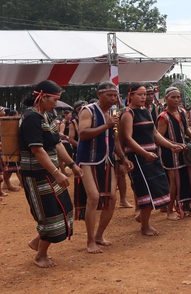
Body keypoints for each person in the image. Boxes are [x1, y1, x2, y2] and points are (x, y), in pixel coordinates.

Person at [19, 80, 83, 268]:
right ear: (42, 97)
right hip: (37, 174)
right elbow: (38, 150)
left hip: (49, 171)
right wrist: (56, 173)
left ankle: (36, 242)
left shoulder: (46, 115)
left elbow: (55, 143)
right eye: (54, 100)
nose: (56, 104)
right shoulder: (31, 118)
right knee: (50, 213)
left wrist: (71, 164)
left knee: (63, 208)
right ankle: (40, 255)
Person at [119, 83, 184, 236]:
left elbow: (155, 134)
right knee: (145, 191)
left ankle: (142, 218)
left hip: (151, 155)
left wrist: (170, 146)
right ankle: (145, 226)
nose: (143, 97)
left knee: (159, 187)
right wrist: (143, 153)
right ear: (131, 96)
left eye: (144, 94)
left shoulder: (147, 112)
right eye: (139, 94)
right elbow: (128, 139)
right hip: (138, 158)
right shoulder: (128, 114)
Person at [75, 82, 132, 254]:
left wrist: (122, 158)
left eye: (115, 95)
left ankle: (99, 235)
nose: (113, 99)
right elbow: (82, 134)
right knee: (93, 198)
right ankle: (90, 241)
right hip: (88, 160)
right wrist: (106, 126)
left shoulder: (114, 113)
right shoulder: (88, 110)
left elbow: (114, 139)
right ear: (100, 94)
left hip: (107, 159)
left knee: (112, 199)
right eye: (109, 95)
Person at [157, 86, 191, 220]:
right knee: (174, 184)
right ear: (166, 99)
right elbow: (159, 137)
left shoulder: (182, 112)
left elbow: (186, 130)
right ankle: (170, 210)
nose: (176, 100)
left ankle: (186, 205)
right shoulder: (163, 117)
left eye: (178, 97)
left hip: (184, 152)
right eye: (173, 97)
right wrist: (175, 145)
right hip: (170, 154)